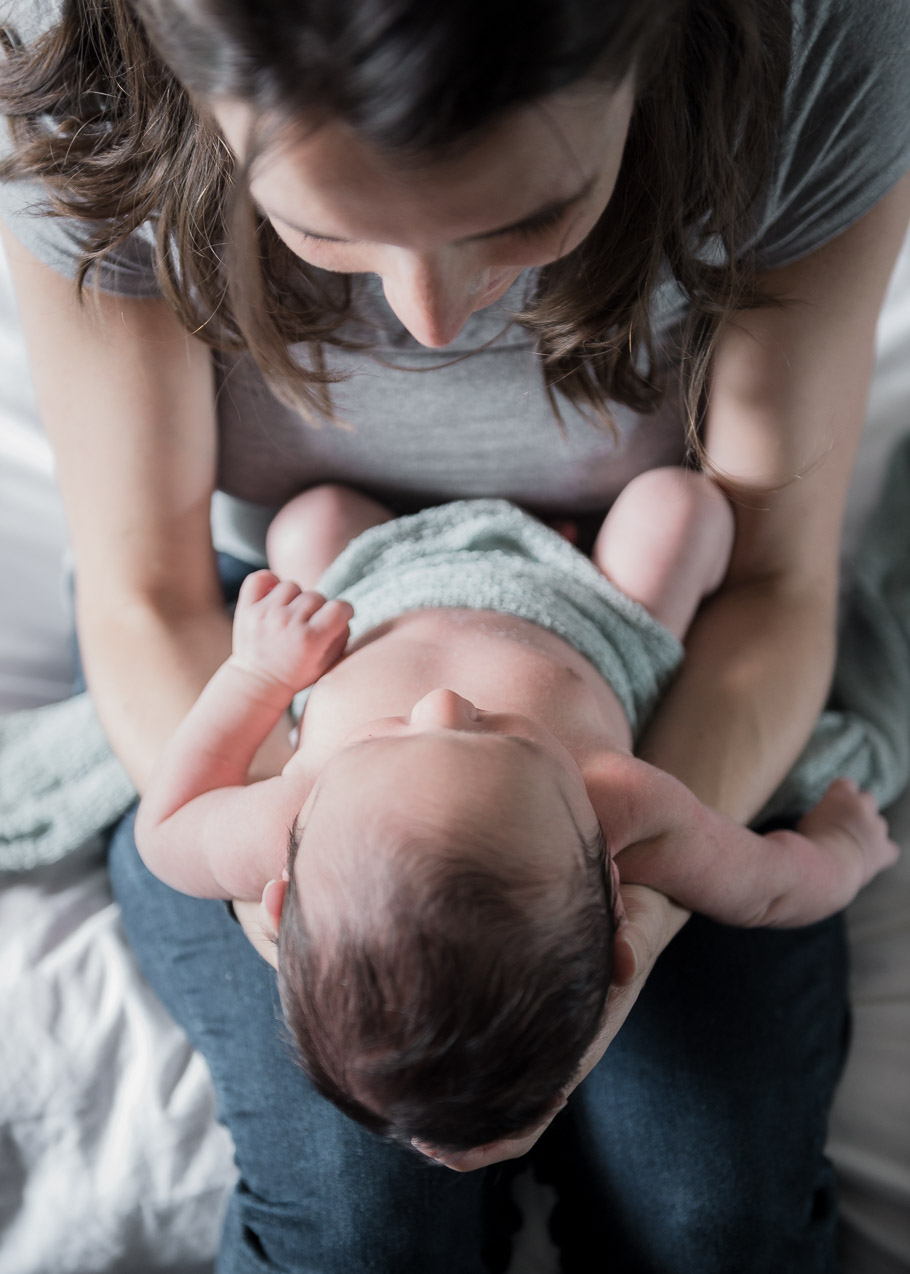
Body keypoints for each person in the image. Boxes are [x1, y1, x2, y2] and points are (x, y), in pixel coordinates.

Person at [1, 0, 910, 1268]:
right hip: (269, 606)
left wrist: (631, 887)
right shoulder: (77, 53)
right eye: (319, 228)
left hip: (651, 624)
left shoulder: (813, 37)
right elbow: (146, 594)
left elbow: (770, 584)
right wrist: (329, 847)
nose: (434, 317)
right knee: (358, 1219)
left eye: (528, 218)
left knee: (711, 1211)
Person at [135, 474, 897, 1156]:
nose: (442, 705)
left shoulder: (292, 821)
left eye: (389, 739)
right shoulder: (622, 803)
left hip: (375, 588)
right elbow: (767, 887)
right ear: (608, 885)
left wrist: (257, 675)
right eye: (496, 736)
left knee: (308, 518)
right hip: (589, 606)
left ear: (281, 893)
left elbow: (167, 827)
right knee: (680, 508)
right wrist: (848, 851)